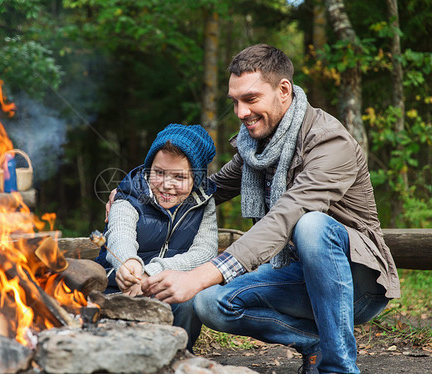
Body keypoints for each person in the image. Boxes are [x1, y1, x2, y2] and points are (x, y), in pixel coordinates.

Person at [137, 44, 401, 374]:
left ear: (284, 90)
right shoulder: (257, 147)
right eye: (234, 101)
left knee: (311, 225)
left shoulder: (330, 142)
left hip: (358, 285)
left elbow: (286, 215)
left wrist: (203, 273)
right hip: (295, 273)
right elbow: (209, 190)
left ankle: (339, 367)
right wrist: (135, 197)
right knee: (208, 302)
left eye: (250, 99)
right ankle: (315, 343)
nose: (240, 112)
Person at [96, 123, 218, 352]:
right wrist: (129, 263)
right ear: (148, 168)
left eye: (179, 177)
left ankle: (179, 353)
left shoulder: (203, 202)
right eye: (159, 172)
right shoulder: (130, 194)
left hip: (166, 287)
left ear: (196, 178)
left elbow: (205, 252)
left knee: (188, 301)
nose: (166, 185)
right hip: (120, 286)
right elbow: (120, 233)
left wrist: (152, 272)